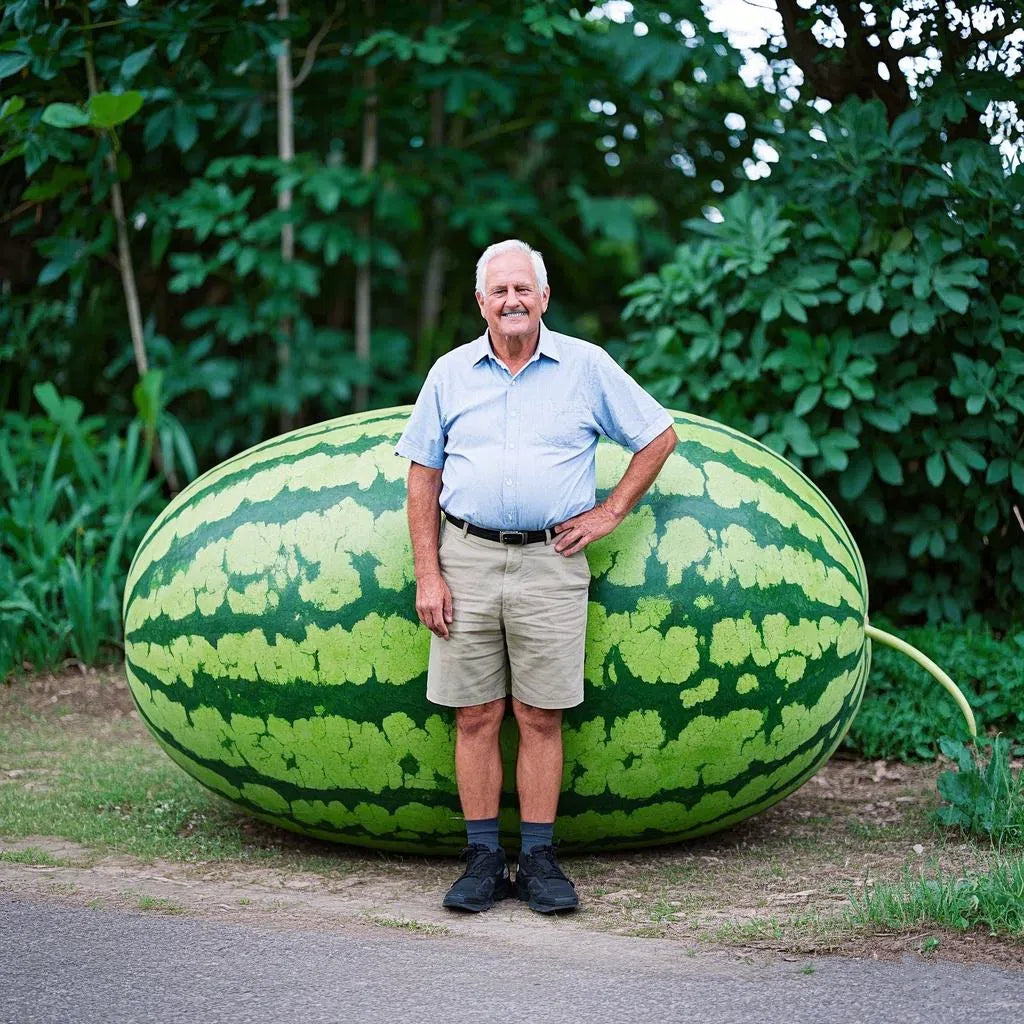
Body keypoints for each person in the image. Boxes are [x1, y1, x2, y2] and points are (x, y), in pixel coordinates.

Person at [395, 239, 677, 914]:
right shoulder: (450, 374)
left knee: (540, 715)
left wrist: (613, 511)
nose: (513, 300)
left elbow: (658, 434)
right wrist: (428, 574)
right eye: (500, 291)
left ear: (544, 298)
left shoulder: (586, 368)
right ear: (481, 303)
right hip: (466, 556)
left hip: (551, 562)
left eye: (524, 289)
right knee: (476, 714)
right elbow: (422, 475)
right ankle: (485, 858)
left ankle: (542, 860)